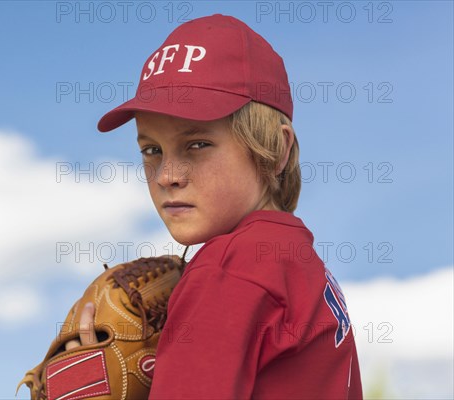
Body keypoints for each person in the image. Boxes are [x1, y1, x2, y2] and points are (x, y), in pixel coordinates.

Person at [65, 14, 362, 399]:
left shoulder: (227, 269)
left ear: (276, 149)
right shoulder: (297, 262)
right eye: (151, 150)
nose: (166, 175)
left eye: (198, 144)